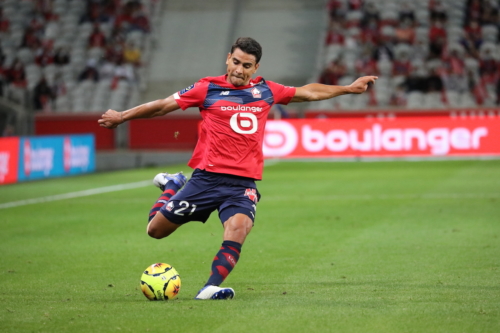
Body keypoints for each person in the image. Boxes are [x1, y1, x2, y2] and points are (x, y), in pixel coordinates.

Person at [98, 37, 377, 300]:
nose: (239, 70)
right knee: (155, 231)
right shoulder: (206, 88)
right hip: (205, 180)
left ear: (255, 68)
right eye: (236, 62)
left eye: (246, 66)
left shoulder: (266, 90)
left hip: (242, 184)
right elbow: (162, 106)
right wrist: (122, 116)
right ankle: (172, 186)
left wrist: (348, 88)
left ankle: (209, 288)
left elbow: (308, 92)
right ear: (228, 59)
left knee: (239, 228)